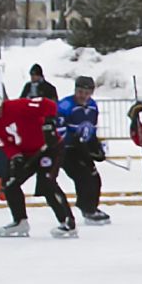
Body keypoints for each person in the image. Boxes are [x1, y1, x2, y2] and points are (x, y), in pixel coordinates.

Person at [0, 79, 74, 238]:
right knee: (10, 183)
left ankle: (67, 222)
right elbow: (5, 144)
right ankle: (20, 222)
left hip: (49, 148)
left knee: (47, 182)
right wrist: (15, 156)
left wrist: (48, 121)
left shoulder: (17, 106)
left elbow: (49, 104)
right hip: (28, 154)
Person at [53, 75, 112, 225]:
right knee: (83, 177)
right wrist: (73, 141)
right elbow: (59, 130)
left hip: (82, 148)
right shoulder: (65, 106)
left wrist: (95, 147)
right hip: (66, 150)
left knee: (95, 177)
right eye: (80, 92)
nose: (83, 96)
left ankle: (91, 207)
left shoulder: (93, 106)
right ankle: (87, 209)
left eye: (86, 93)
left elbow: (91, 129)